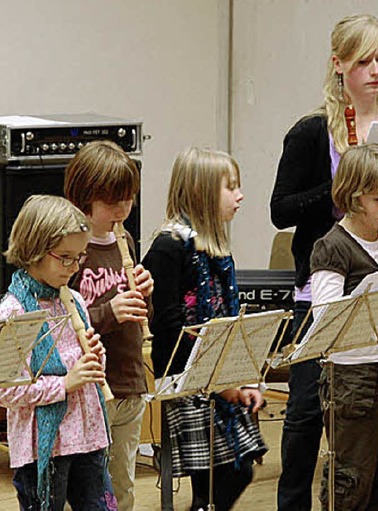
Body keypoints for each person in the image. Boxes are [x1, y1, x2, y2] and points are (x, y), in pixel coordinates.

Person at [269, 14, 378, 510]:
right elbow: (280, 210)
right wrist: (344, 194)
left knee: (377, 413)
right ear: (338, 65)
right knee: (303, 412)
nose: (376, 71)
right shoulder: (313, 131)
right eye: (363, 61)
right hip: (323, 280)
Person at [142, 146, 267, 511]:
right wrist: (218, 383)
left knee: (237, 471)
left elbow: (226, 320)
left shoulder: (215, 248)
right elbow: (167, 328)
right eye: (231, 187)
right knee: (219, 477)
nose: (240, 195)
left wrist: (240, 379)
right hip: (186, 379)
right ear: (201, 192)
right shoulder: (168, 247)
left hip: (217, 376)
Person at [310, 143, 378, 510]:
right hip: (354, 378)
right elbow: (325, 318)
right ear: (353, 197)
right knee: (351, 482)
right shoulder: (332, 247)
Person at [0, 195, 116, 510]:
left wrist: (96, 358)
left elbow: (84, 368)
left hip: (88, 436)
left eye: (79, 257)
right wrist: (64, 384)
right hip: (43, 448)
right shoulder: (14, 311)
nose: (73, 267)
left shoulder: (74, 300)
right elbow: (6, 391)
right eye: (65, 257)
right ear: (33, 249)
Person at [64, 139, 154, 511]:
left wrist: (145, 293)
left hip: (129, 380)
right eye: (111, 201)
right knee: (87, 492)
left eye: (127, 199)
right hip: (91, 388)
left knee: (122, 490)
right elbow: (65, 324)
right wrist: (109, 313)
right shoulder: (71, 248)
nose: (122, 209)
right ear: (85, 197)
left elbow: (136, 314)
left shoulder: (125, 241)